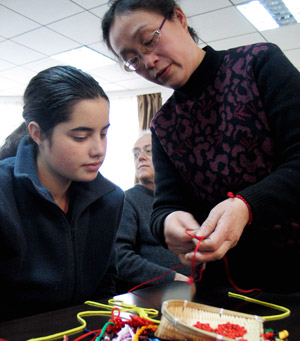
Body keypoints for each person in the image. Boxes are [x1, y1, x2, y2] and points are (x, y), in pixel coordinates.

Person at [102, 0, 300, 293]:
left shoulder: (259, 64)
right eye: (132, 59)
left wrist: (246, 206)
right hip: (226, 288)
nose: (148, 62)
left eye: (148, 41)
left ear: (179, 18)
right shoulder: (164, 123)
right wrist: (169, 222)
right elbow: (165, 206)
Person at [0, 65, 124, 321]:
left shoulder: (110, 199)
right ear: (37, 134)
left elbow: (106, 283)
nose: (98, 149)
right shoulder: (4, 195)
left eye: (104, 133)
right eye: (81, 136)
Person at [115, 131, 189, 293]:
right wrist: (173, 278)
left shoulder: (185, 199)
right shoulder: (128, 199)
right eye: (135, 153)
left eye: (148, 151)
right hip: (151, 296)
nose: (140, 157)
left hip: (194, 291)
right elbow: (120, 258)